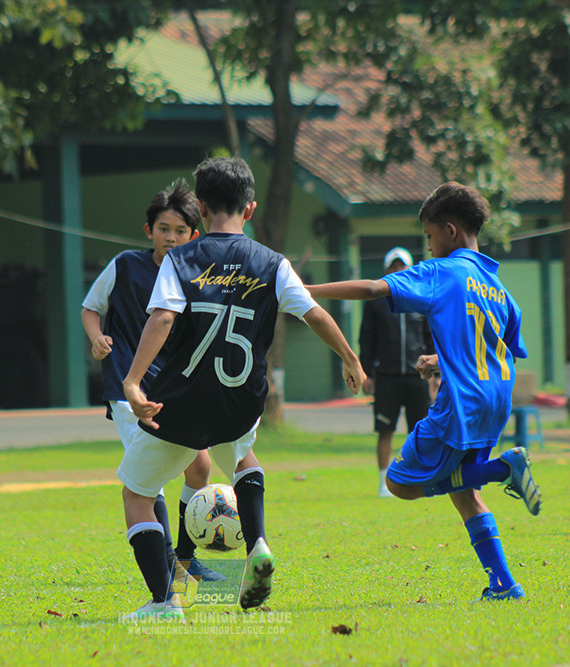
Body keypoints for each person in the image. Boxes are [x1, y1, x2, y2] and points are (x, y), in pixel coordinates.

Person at [119, 156, 364, 621]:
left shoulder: (180, 258)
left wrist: (132, 380)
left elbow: (164, 317)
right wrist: (349, 359)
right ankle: (258, 544)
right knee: (243, 458)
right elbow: (313, 313)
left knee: (136, 492)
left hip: (182, 403)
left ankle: (164, 602)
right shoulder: (272, 263)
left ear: (202, 207)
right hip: (239, 402)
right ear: (249, 209)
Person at [307, 181, 542, 601]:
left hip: (461, 403)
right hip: (495, 400)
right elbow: (499, 345)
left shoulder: (442, 271)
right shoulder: (497, 285)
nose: (428, 247)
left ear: (450, 232)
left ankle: (501, 470)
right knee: (462, 491)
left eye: (430, 237)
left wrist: (304, 292)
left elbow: (374, 289)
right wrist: (443, 360)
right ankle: (504, 585)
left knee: (399, 482)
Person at [81, 179, 220, 585]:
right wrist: (97, 338)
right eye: (163, 229)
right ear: (149, 231)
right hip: (129, 391)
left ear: (193, 235)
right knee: (147, 482)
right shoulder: (125, 265)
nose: (171, 238)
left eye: (180, 231)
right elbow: (92, 308)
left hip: (175, 388)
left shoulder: (197, 278)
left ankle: (185, 558)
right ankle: (168, 575)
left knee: (201, 464)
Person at [359, 246, 434, 498]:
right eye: (394, 266)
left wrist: (435, 373)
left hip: (417, 377)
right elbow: (366, 338)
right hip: (387, 376)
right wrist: (366, 372)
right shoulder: (376, 302)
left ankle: (420, 481)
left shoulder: (421, 298)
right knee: (385, 430)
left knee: (420, 431)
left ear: (410, 268)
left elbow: (431, 337)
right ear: (386, 270)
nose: (399, 270)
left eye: (403, 265)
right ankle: (383, 483)